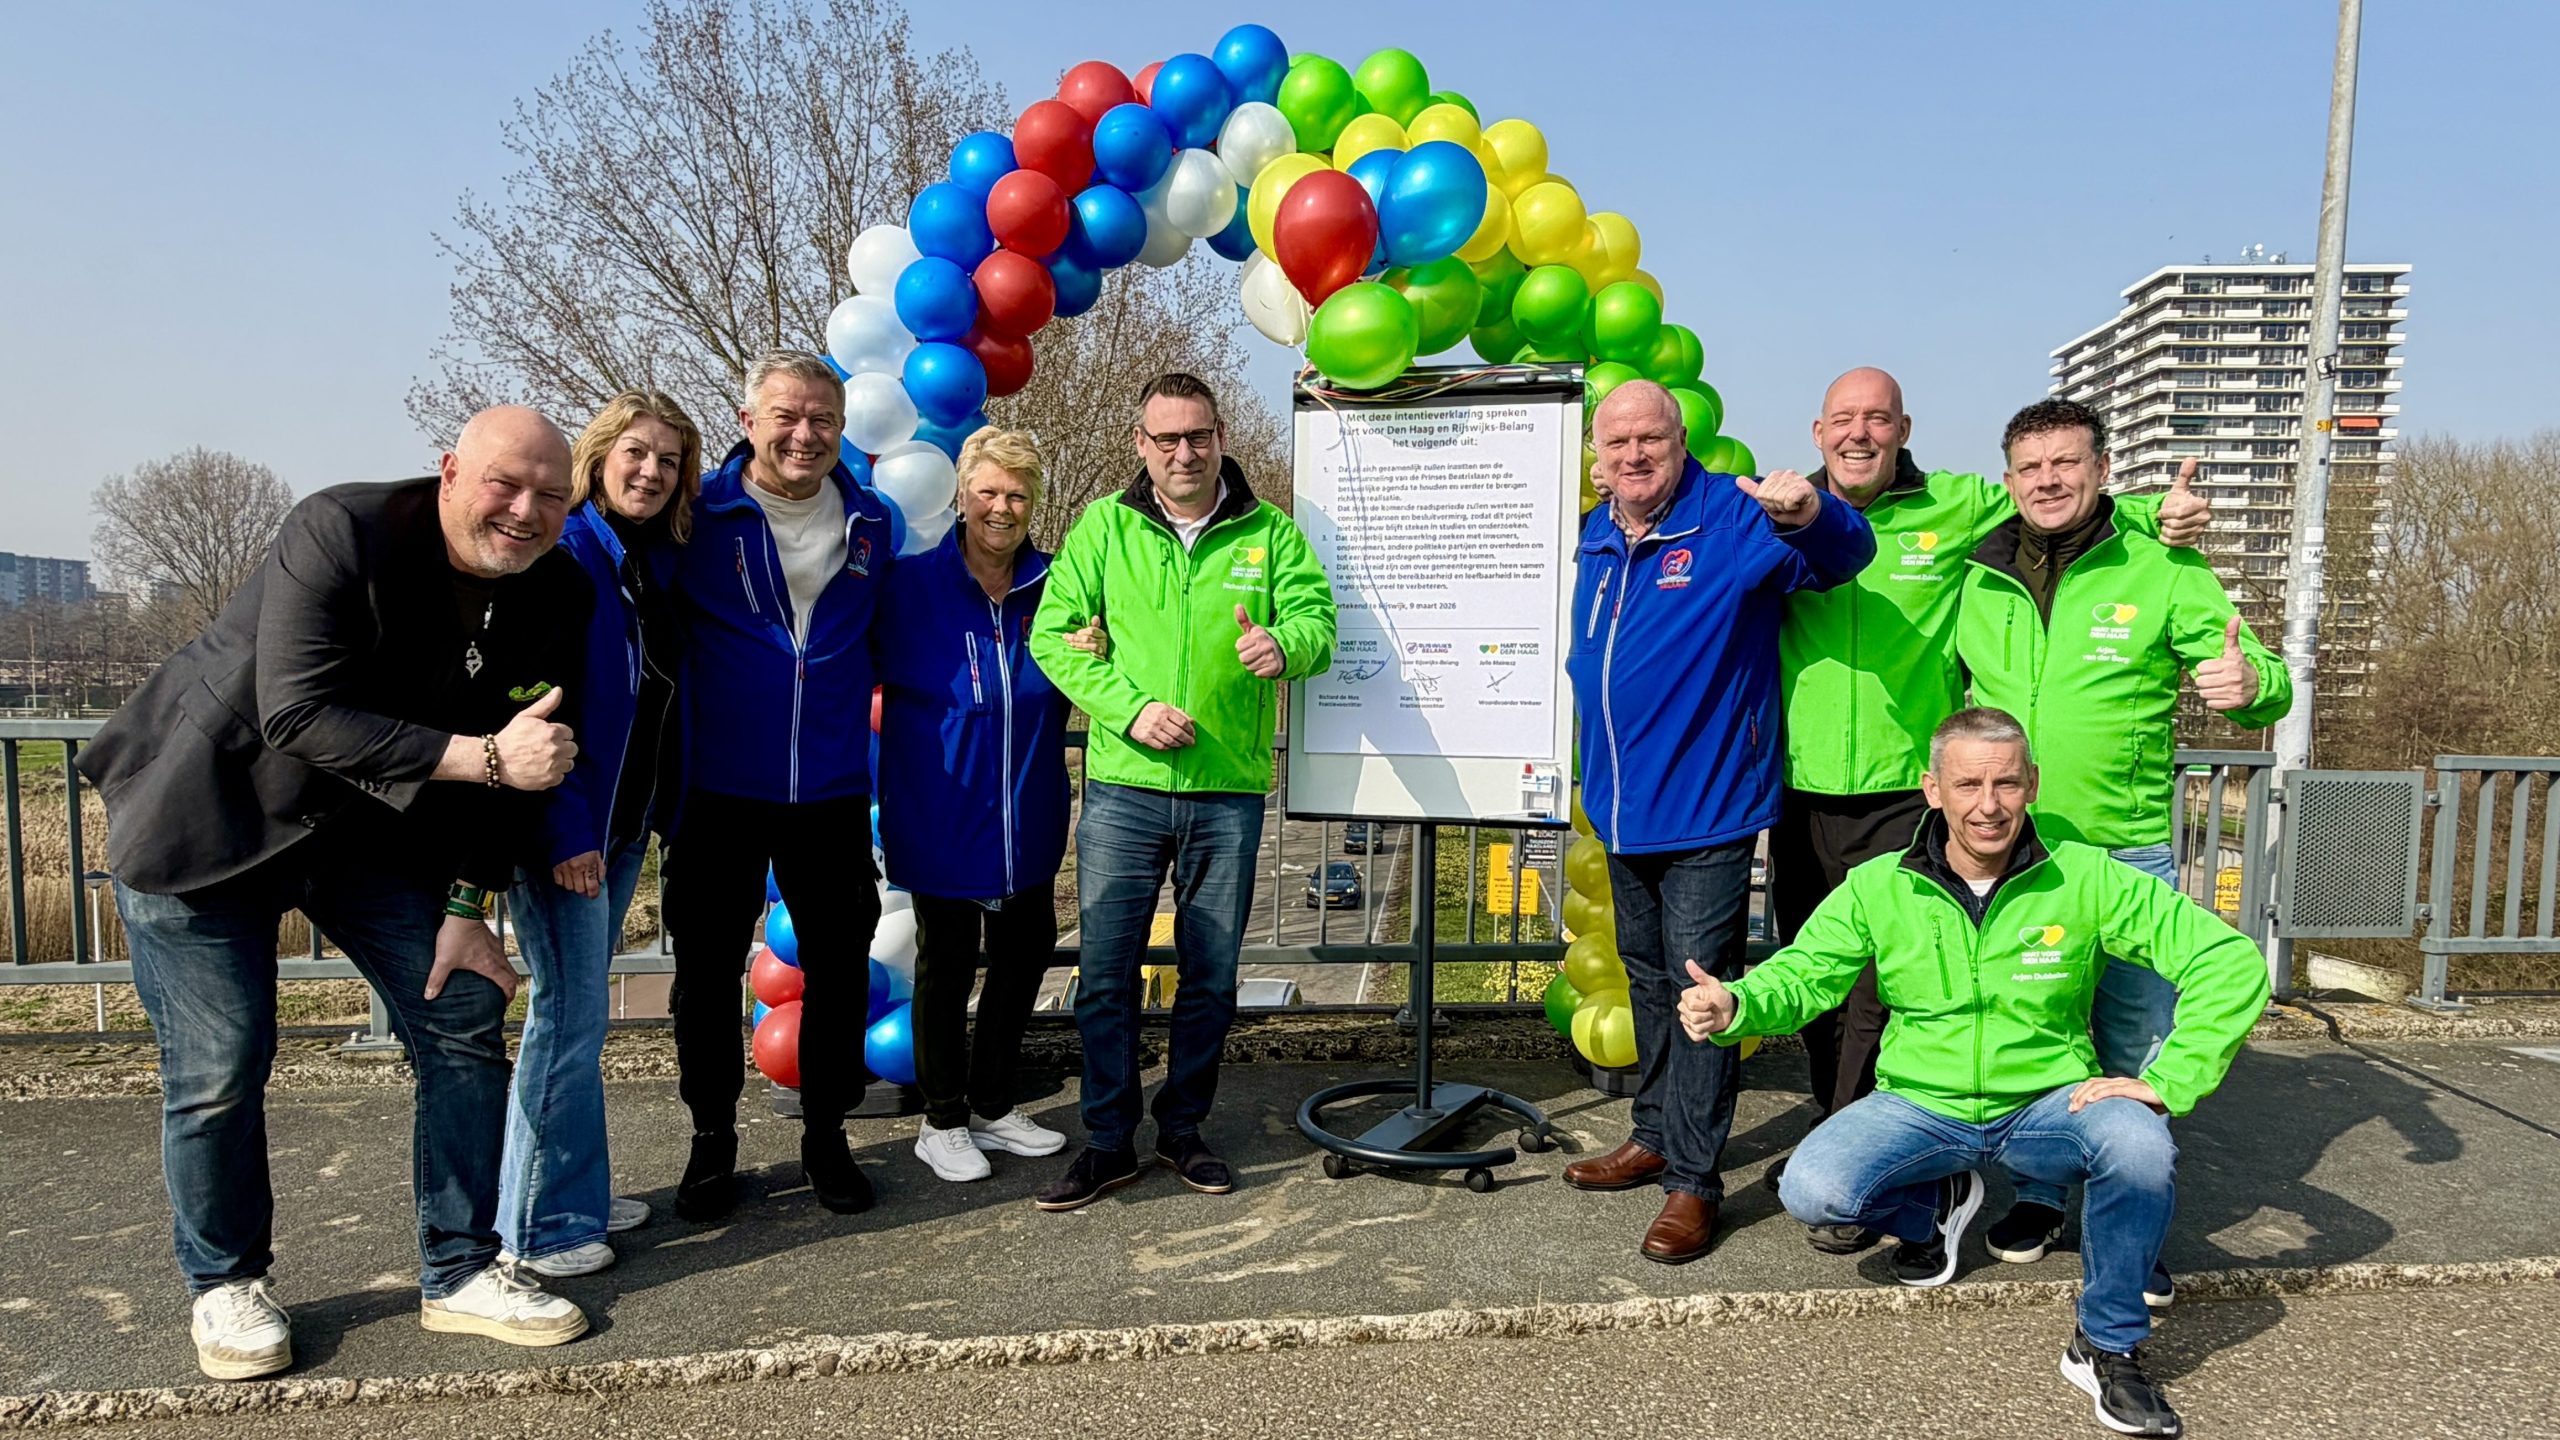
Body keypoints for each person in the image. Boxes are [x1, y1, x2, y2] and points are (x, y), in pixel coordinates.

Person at [81, 407, 595, 1380]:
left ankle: (460, 1270)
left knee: (465, 1008)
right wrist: (484, 755)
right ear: (449, 473)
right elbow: (297, 710)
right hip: (211, 816)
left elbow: (524, 762)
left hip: (363, 835)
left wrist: (463, 910)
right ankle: (226, 1283)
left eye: (551, 496)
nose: (526, 511)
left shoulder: (558, 590)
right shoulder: (341, 531)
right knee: (223, 1058)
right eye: (504, 484)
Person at [1680, 707, 2271, 1438]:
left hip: (2049, 1106)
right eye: (1967, 784)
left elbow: (2229, 961)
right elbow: (1807, 974)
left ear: (2032, 784)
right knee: (1813, 1190)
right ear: (1932, 789)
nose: (1987, 805)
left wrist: (2167, 1079)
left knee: (2141, 1143)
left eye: (2006, 783)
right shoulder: (1879, 885)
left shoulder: (2084, 875)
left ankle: (2107, 1345)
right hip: (1921, 1107)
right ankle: (1932, 1206)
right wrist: (1736, 1002)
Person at [1770, 368, 2209, 1254]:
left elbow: (2061, 508)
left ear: (1904, 427)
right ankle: (1861, 1143)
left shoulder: (1963, 503)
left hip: (1913, 786)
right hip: (1802, 785)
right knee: (1814, 972)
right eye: (1843, 420)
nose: (1860, 434)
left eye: (1878, 418)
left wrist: (2160, 520)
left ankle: (1975, 1181)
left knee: (1903, 990)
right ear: (1817, 432)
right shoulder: (1781, 512)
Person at [1955, 398, 2291, 1282]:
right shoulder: (1978, 568)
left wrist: (2246, 681)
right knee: (2035, 1026)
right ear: (2008, 480)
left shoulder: (2165, 564)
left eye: (2067, 463)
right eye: (2031, 468)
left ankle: (2129, 1231)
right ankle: (2037, 1191)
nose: (2048, 481)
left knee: (2134, 1047)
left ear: (2103, 471)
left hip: (2126, 845)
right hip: (2013, 851)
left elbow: (2265, 678)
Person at [1559, 380, 1874, 1264]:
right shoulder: (1596, 532)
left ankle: (1694, 1184)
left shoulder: (1730, 520)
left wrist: (1812, 512)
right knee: (1650, 983)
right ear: (1598, 453)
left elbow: (1846, 554)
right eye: (1616, 443)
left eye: (1649, 439)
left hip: (1707, 811)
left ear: (1679, 438)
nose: (1632, 456)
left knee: (1701, 1000)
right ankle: (1655, 1130)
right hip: (1621, 811)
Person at [1026, 372, 1337, 1211]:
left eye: (1197, 435)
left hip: (1226, 792)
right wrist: (1130, 711)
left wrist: (1286, 643)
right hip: (1124, 791)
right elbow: (1053, 639)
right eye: (1165, 438)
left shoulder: (1270, 534)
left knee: (1210, 978)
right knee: (1104, 976)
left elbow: (1319, 622)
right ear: (1141, 445)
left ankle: (1183, 1129)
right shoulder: (1105, 526)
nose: (1183, 452)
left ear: (1221, 436)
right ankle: (1106, 1140)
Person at [662, 351, 898, 1220]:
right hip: (719, 791)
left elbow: (891, 638)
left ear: (842, 430)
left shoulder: (872, 522)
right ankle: (711, 1142)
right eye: (787, 418)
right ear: (747, 420)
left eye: (823, 421)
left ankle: (826, 1136)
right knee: (705, 973)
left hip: (830, 792)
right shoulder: (697, 516)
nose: (805, 436)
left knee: (840, 969)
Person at [497, 391, 702, 1277]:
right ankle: (536, 1229)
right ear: (599, 455)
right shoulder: (569, 555)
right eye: (637, 453)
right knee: (566, 1021)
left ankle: (571, 1190)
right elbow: (538, 706)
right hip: (571, 833)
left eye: (669, 460)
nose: (651, 471)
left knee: (577, 1018)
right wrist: (566, 831)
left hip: (622, 829)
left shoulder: (643, 559)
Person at [875, 427, 1074, 1182]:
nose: (1002, 507)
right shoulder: (907, 586)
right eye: (988, 491)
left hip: (1029, 814)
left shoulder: (1059, 585)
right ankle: (942, 1119)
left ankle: (993, 1105)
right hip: (940, 810)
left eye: (1018, 494)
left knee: (1023, 960)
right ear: (961, 495)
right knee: (947, 966)